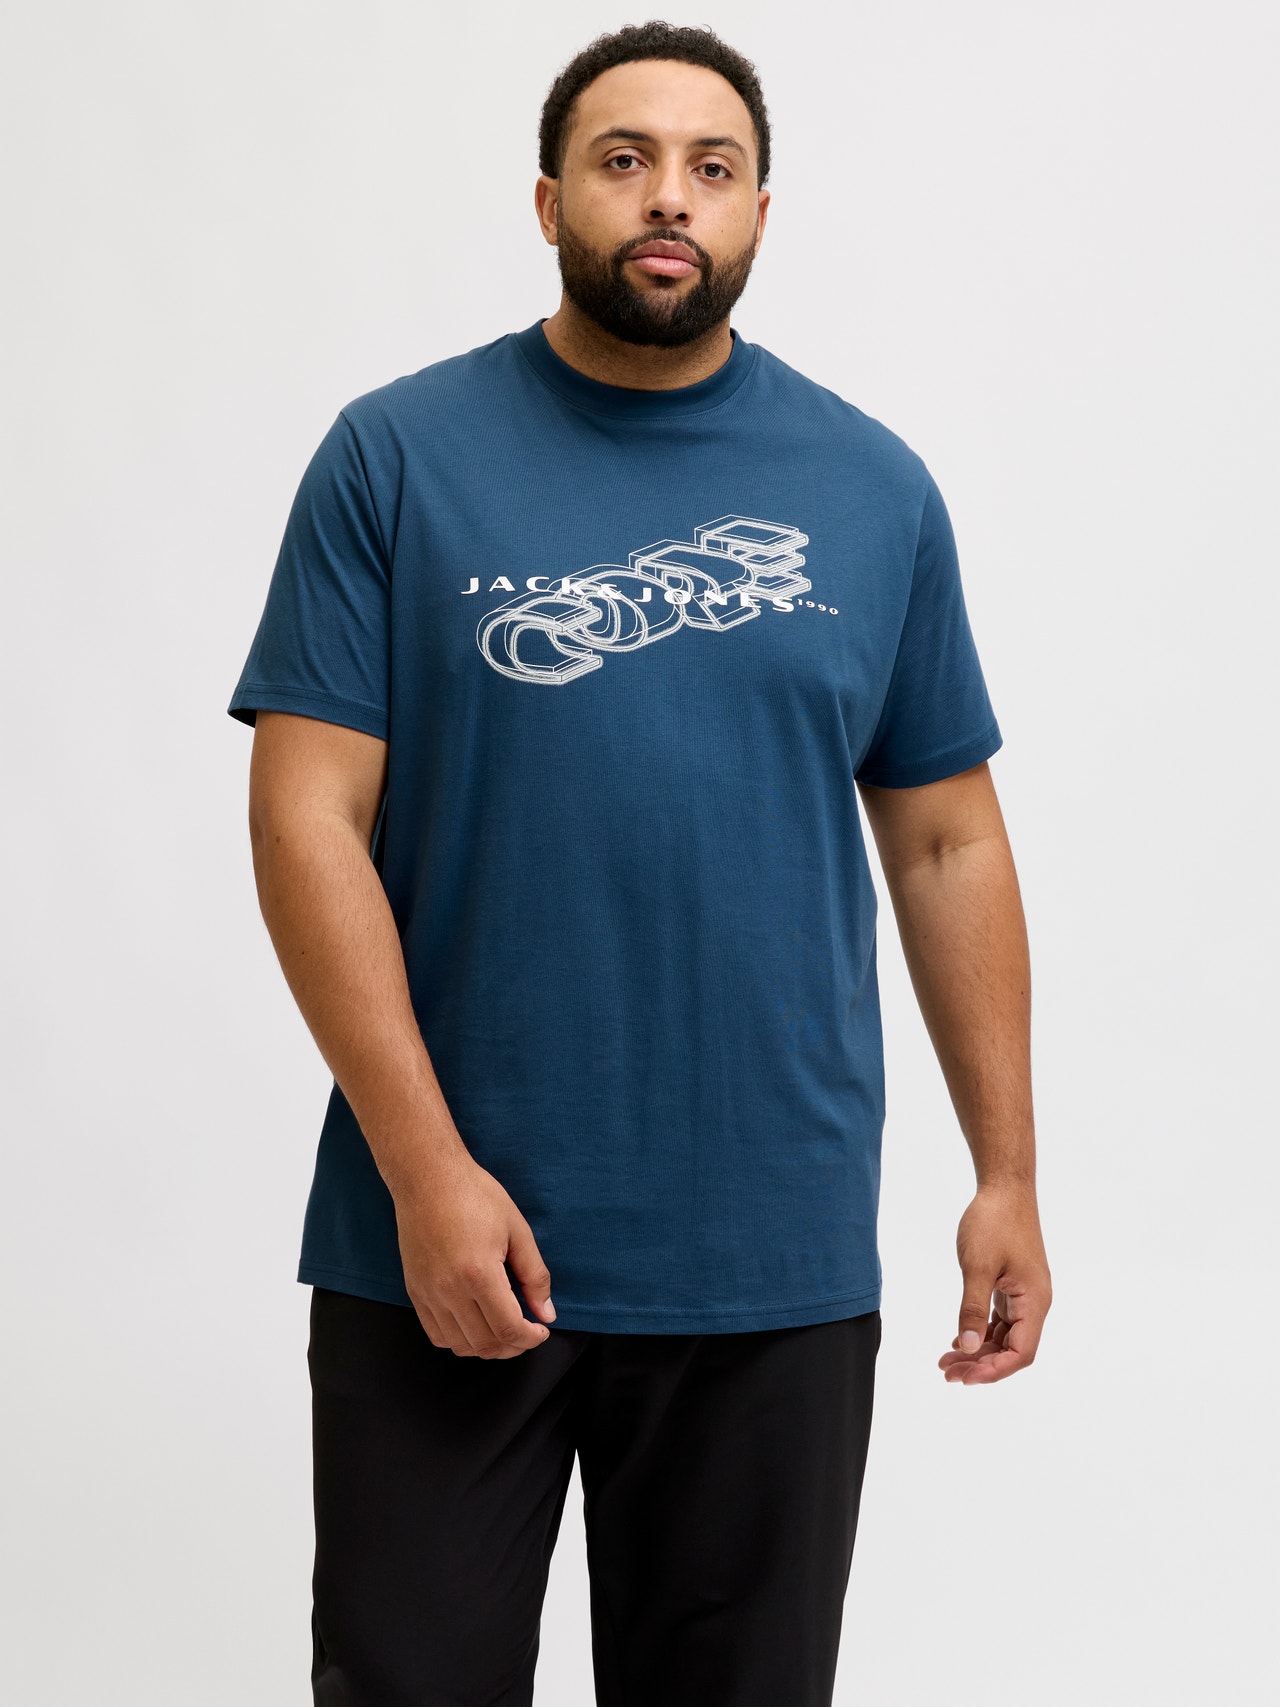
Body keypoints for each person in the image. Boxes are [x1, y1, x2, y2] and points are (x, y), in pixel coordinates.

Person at [227, 20, 1052, 1706]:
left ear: (757, 215)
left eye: (711, 167)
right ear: (550, 202)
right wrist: (425, 1176)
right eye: (624, 160)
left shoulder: (872, 488)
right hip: (446, 1235)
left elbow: (947, 835)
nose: (669, 196)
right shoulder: (396, 458)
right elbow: (305, 819)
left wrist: (1007, 1173)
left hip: (768, 1251)